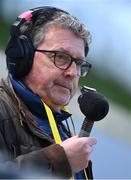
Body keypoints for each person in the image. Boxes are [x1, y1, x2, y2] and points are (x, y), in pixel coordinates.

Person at [0, 6, 97, 179]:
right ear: (23, 56)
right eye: (60, 56)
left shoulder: (63, 130)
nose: (73, 73)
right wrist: (59, 160)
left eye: (78, 63)